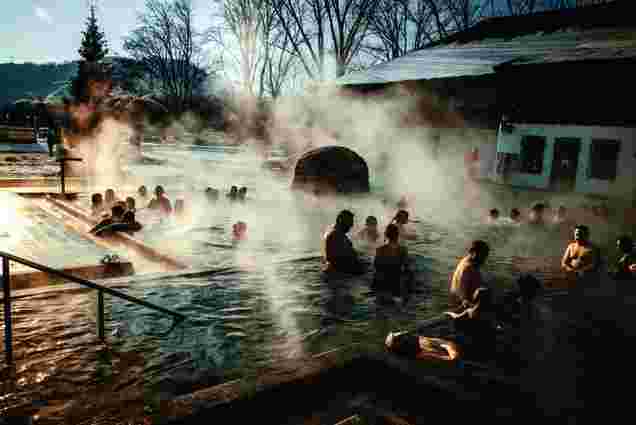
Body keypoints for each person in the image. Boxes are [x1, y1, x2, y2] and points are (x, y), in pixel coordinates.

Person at [373, 224, 414, 302]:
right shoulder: (402, 250)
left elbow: (376, 267)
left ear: (386, 235)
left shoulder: (380, 250)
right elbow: (407, 268)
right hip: (396, 283)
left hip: (382, 283)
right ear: (397, 235)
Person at [449, 240, 490, 308]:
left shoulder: (466, 260)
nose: (484, 259)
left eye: (485, 256)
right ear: (474, 253)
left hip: (456, 301)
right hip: (462, 306)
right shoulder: (468, 268)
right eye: (483, 255)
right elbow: (463, 296)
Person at [323, 210, 365, 275]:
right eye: (350, 222)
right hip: (340, 275)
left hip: (340, 274)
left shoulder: (336, 234)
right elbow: (335, 259)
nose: (352, 225)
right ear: (340, 220)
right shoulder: (335, 235)